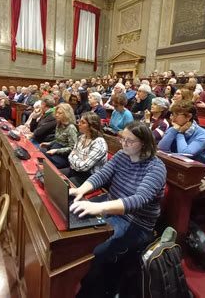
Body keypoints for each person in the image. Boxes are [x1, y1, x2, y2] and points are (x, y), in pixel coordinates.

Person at [70, 121, 166, 298]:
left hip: (136, 222)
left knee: (95, 250)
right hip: (111, 207)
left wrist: (97, 206)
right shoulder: (122, 155)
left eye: (130, 141)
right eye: (123, 138)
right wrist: (81, 189)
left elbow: (138, 201)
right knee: (73, 219)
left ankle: (89, 292)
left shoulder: (156, 167)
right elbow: (102, 175)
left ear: (144, 144)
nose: (124, 143)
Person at [158, 101, 205, 165]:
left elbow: (185, 154)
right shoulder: (173, 129)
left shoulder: (203, 134)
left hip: (202, 168)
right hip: (178, 165)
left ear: (189, 117)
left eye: (176, 115)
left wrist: (180, 133)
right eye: (172, 114)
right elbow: (161, 149)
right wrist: (174, 130)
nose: (172, 118)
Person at [61, 112, 108, 186]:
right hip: (76, 170)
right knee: (57, 175)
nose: (79, 124)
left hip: (91, 176)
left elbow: (84, 167)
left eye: (83, 122)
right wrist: (80, 159)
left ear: (91, 126)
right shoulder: (81, 137)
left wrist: (75, 156)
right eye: (79, 121)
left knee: (64, 185)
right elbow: (70, 156)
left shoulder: (99, 143)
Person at [40, 103, 78, 168]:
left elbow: (73, 148)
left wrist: (56, 151)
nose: (57, 115)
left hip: (63, 156)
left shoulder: (71, 128)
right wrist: (49, 143)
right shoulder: (59, 124)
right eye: (56, 113)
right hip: (55, 150)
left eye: (60, 113)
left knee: (43, 158)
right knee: (40, 151)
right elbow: (59, 140)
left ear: (67, 115)